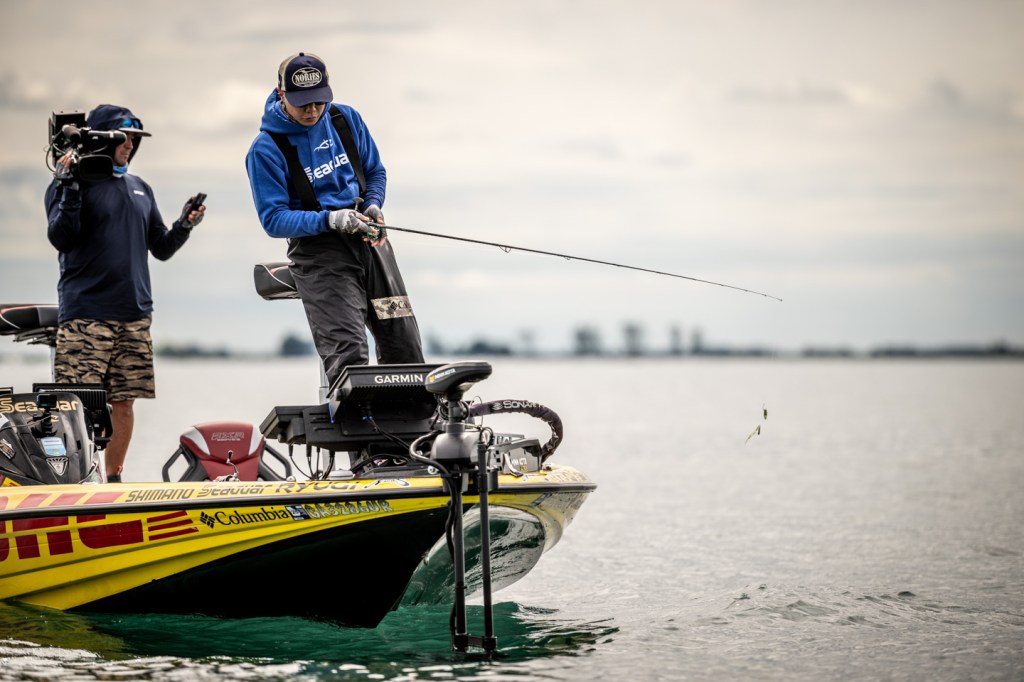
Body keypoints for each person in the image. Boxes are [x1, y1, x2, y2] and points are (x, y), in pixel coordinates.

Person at [45, 104, 206, 483]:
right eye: (125, 137)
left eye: (135, 139)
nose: (131, 145)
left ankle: (114, 480)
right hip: (87, 315)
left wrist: (184, 224)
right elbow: (60, 237)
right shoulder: (69, 182)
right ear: (103, 138)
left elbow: (161, 248)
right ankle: (72, 481)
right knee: (76, 407)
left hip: (134, 315)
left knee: (124, 404)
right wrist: (69, 186)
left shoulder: (140, 188)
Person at [245, 52, 424, 390]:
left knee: (405, 347)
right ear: (282, 95)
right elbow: (273, 219)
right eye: (303, 104)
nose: (312, 110)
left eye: (319, 101)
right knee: (350, 355)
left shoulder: (345, 118)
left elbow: (375, 171)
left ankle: (412, 421)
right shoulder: (265, 149)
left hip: (370, 245)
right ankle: (356, 420)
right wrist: (331, 220)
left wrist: (373, 205)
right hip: (320, 257)